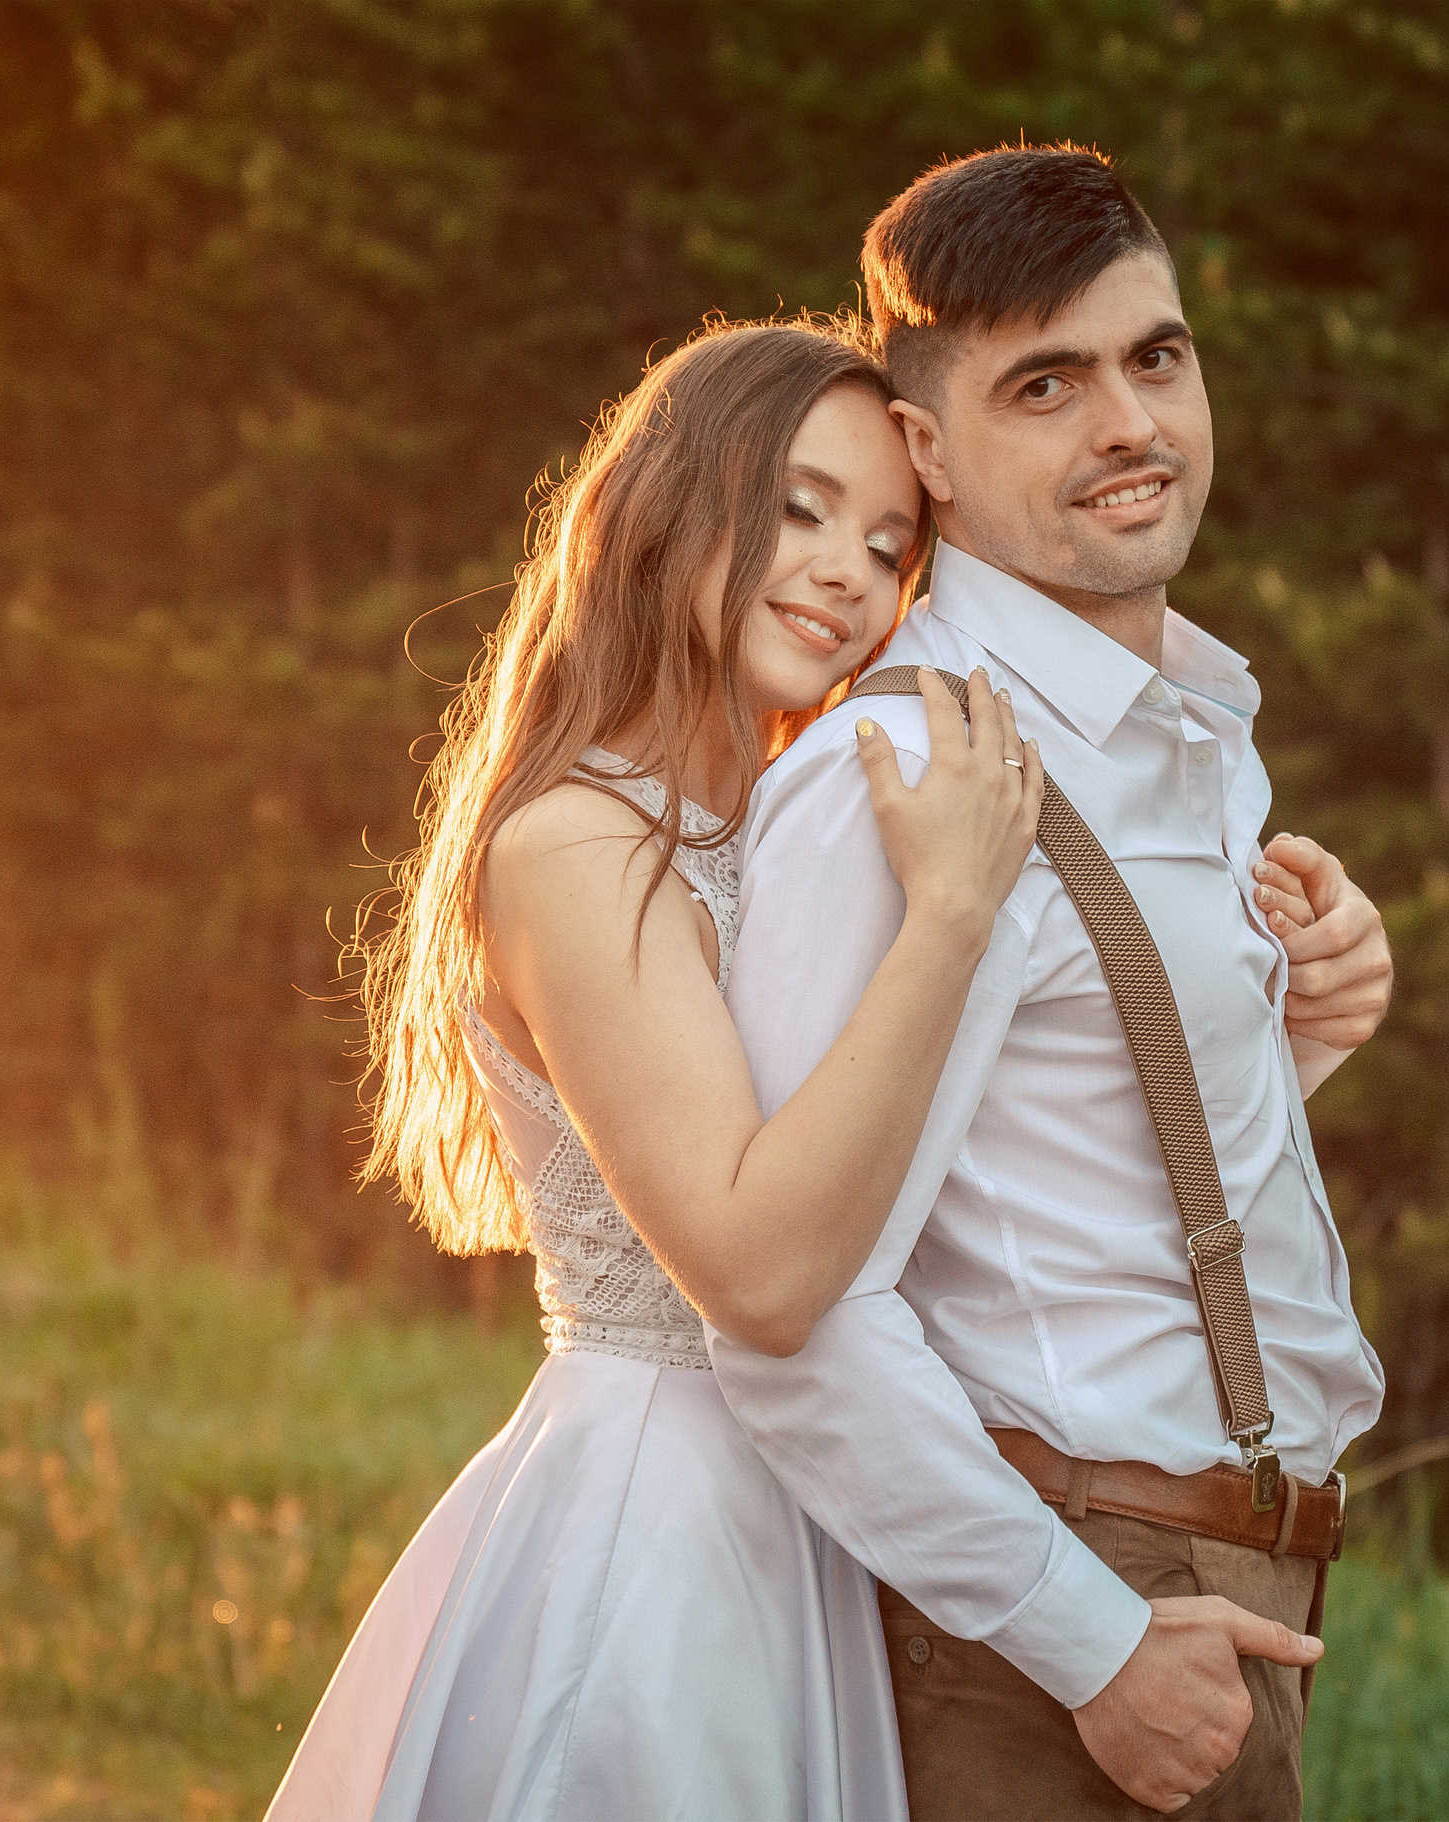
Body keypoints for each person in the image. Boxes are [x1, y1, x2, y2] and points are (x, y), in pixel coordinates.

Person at [264, 317, 1051, 1820]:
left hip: (813, 1516)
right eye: (802, 506)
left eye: (891, 546)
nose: (846, 572)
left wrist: (1302, 1008)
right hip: (656, 1533)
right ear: (673, 500)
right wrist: (951, 913)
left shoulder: (790, 832)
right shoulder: (575, 842)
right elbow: (754, 1270)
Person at [710, 146, 1391, 1822]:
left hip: (1229, 1588)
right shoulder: (901, 774)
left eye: (1155, 357)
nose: (1129, 427)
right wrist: (1085, 1638)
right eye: (1048, 384)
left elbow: (1045, 1181)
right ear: (928, 450)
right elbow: (797, 1312)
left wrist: (1290, 1038)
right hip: (1067, 1613)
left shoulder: (1191, 731)